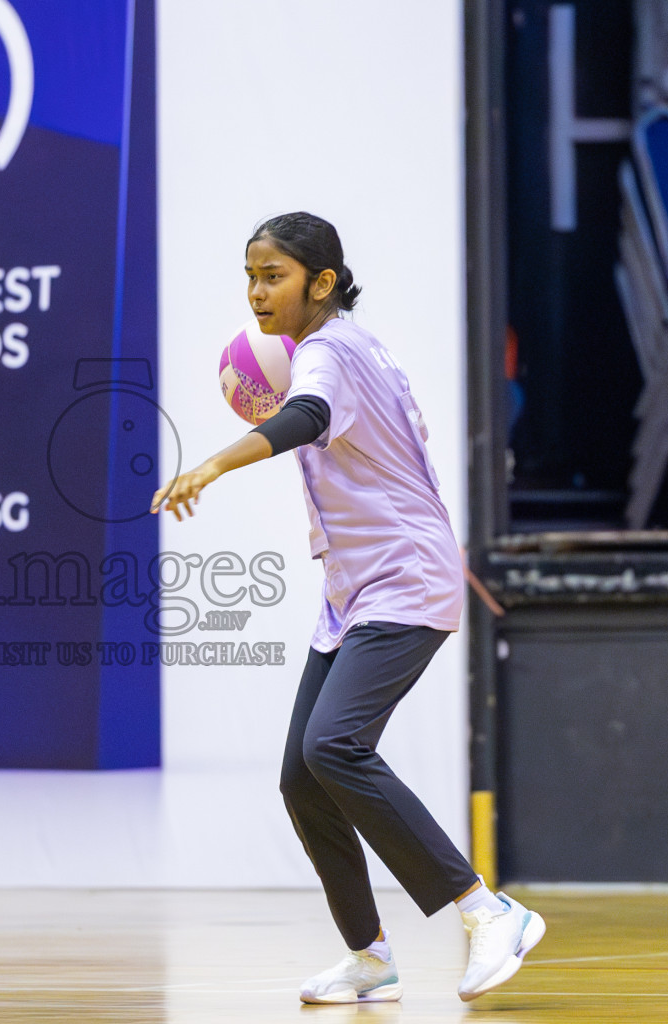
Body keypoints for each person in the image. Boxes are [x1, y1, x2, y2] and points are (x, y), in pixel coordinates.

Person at [150, 212, 544, 1005]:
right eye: (250, 277)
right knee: (303, 776)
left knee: (334, 745)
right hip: (355, 592)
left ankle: (487, 910)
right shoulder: (341, 347)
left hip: (406, 578)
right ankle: (370, 957)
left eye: (274, 277)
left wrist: (216, 465)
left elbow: (309, 418)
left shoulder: (328, 352)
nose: (257, 293)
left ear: (322, 282)